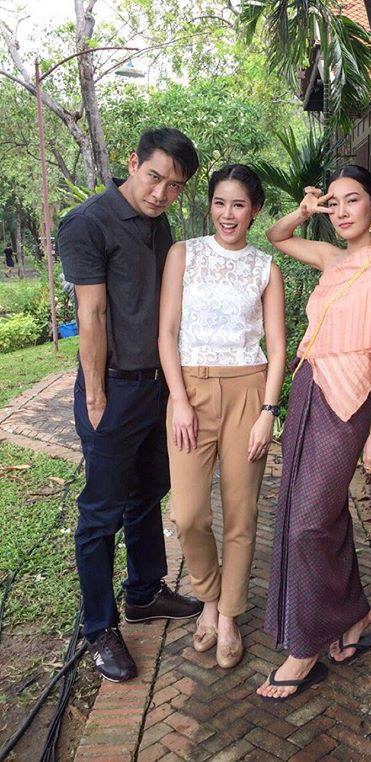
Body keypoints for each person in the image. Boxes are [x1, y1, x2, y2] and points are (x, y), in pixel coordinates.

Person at [256, 165, 371, 701]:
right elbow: (276, 236)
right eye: (333, 203)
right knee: (315, 513)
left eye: (352, 200)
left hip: (351, 402)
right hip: (309, 388)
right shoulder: (332, 258)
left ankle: (306, 644)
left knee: (308, 523)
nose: (341, 211)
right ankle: (353, 613)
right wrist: (304, 210)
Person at [57, 128, 203, 683]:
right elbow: (91, 315)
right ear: (133, 163)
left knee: (148, 492)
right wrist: (96, 396)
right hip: (113, 390)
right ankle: (98, 627)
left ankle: (143, 592)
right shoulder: (87, 222)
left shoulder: (158, 224)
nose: (161, 193)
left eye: (175, 186)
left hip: (156, 387)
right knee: (101, 513)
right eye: (154, 177)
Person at [158, 164, 286, 669]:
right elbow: (168, 332)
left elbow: (277, 347)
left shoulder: (265, 268)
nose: (227, 214)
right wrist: (179, 399)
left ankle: (227, 614)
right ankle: (207, 596)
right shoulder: (183, 254)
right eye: (219, 203)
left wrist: (267, 412)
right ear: (209, 204)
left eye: (238, 204)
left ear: (254, 210)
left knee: (241, 512)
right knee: (187, 513)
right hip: (190, 389)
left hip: (248, 390)